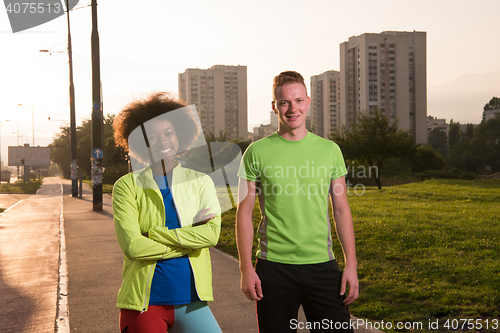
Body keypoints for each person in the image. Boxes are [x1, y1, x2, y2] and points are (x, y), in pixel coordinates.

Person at [236, 71, 359, 332]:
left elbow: (341, 209)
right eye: (284, 103)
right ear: (274, 106)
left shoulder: (329, 150)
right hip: (274, 268)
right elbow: (244, 213)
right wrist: (246, 268)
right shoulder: (256, 152)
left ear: (308, 102)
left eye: (299, 101)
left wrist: (351, 265)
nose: (293, 109)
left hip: (322, 266)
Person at [112, 92, 223, 333]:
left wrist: (155, 235)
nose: (163, 140)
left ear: (179, 135)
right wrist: (189, 239)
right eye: (153, 136)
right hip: (144, 303)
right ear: (144, 143)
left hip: (192, 300)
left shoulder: (201, 182)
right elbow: (133, 246)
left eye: (168, 133)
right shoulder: (127, 186)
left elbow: (212, 236)